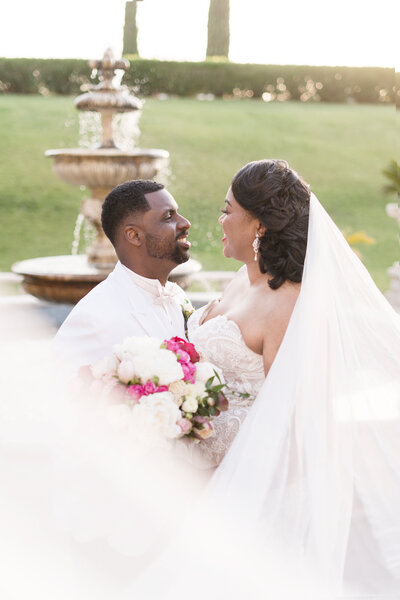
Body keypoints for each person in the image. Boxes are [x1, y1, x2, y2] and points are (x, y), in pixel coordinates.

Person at [124, 159, 400, 598]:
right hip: (188, 479)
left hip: (244, 497)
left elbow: (302, 426)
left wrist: (223, 482)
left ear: (259, 226)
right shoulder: (240, 281)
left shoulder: (289, 306)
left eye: (228, 209)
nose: (219, 219)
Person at [54, 179, 192, 378]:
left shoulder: (178, 297)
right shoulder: (94, 318)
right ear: (134, 235)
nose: (185, 223)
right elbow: (55, 395)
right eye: (169, 216)